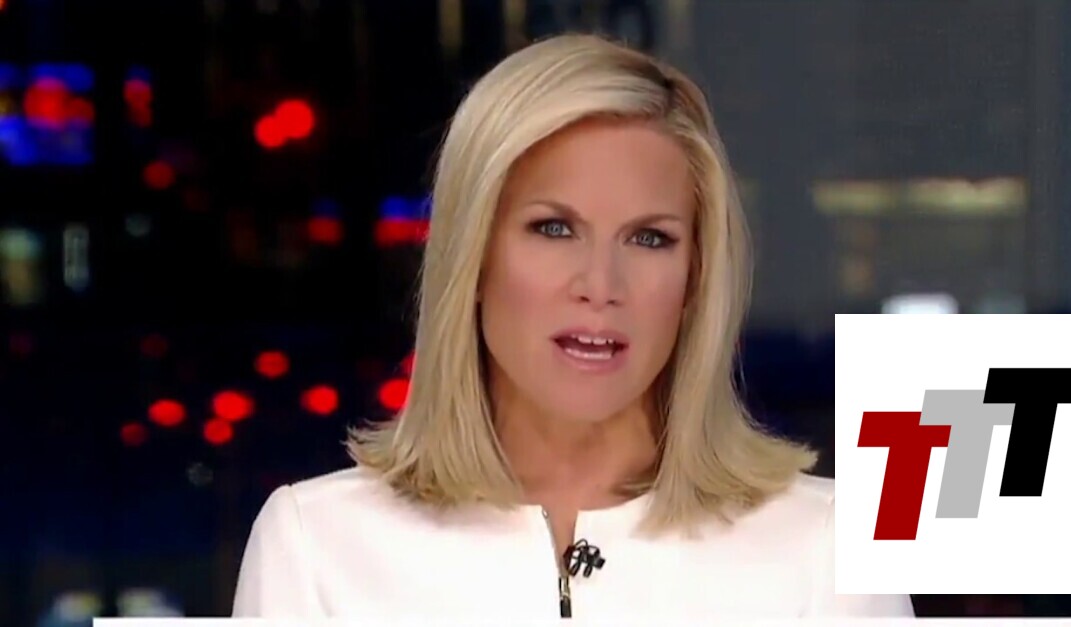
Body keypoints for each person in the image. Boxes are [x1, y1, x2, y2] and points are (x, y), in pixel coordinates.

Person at [231, 33, 914, 620]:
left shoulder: (824, 548)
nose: (600, 284)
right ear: (473, 256)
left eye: (649, 238)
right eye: (554, 228)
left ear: (696, 278)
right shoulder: (316, 545)